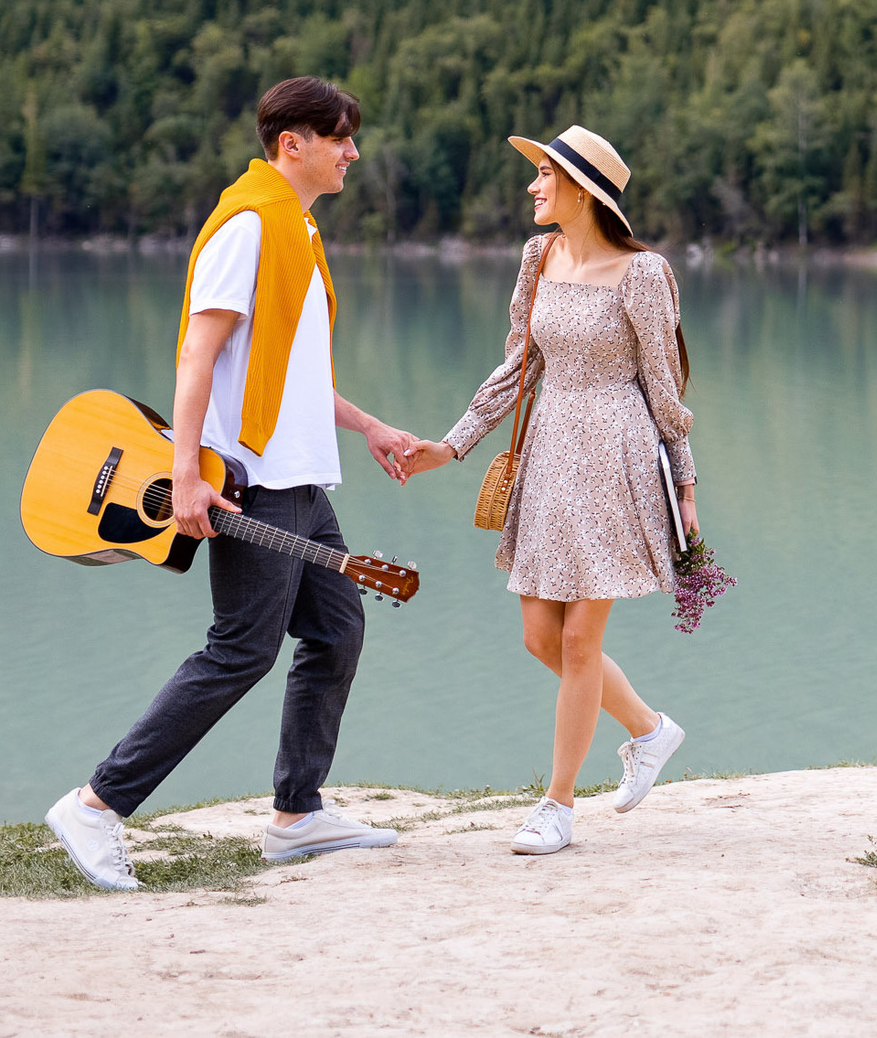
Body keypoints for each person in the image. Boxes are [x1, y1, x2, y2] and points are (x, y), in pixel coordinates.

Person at [44, 77, 427, 891]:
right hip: (252, 481)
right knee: (240, 649)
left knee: (337, 629)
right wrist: (185, 470)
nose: (353, 151)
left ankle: (297, 813)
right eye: (340, 137)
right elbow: (198, 353)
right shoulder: (249, 226)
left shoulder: (297, 229)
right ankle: (97, 803)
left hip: (303, 481)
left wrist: (368, 427)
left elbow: (287, 373)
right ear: (293, 142)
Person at [397, 124, 697, 856]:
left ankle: (557, 804)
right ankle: (651, 730)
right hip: (549, 456)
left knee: (582, 636)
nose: (532, 186)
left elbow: (664, 384)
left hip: (618, 455)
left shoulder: (645, 274)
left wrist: (684, 482)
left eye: (543, 175)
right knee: (541, 636)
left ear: (583, 189)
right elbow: (517, 368)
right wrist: (454, 443)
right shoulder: (537, 257)